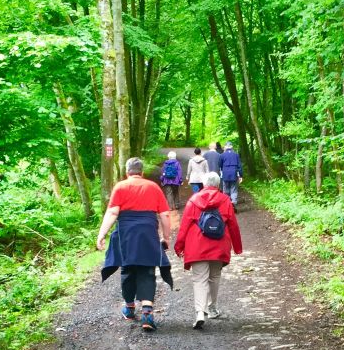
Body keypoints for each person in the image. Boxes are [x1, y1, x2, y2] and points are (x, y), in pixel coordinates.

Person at [97, 157, 173, 332]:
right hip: (147, 233)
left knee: (127, 269)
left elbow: (112, 212)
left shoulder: (120, 187)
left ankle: (129, 308)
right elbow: (164, 215)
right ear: (142, 172)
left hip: (126, 234)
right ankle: (147, 313)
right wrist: (166, 237)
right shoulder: (153, 187)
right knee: (147, 270)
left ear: (127, 172)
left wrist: (101, 234)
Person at [174, 172, 243, 329]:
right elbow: (233, 225)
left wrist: (179, 246)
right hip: (219, 245)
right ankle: (212, 308)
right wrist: (237, 247)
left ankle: (200, 312)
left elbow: (184, 226)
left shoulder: (193, 200)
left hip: (197, 246)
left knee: (200, 279)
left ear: (204, 185)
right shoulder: (225, 200)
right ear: (218, 185)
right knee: (214, 277)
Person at [220, 142, 243, 208]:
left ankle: (226, 204)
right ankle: (233, 202)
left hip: (225, 175)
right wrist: (241, 176)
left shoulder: (222, 155)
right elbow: (239, 166)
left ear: (225, 147)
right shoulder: (236, 155)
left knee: (226, 190)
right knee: (234, 189)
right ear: (232, 147)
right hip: (234, 175)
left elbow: (220, 165)